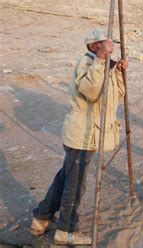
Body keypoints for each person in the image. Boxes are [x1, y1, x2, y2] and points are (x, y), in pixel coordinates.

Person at [30, 29, 128, 245]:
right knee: (75, 184)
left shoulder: (103, 67)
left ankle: (41, 217)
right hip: (82, 133)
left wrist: (119, 72)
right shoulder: (88, 64)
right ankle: (65, 231)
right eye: (106, 45)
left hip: (90, 132)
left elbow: (117, 96)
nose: (112, 48)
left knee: (66, 177)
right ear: (95, 46)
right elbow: (92, 92)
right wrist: (102, 60)